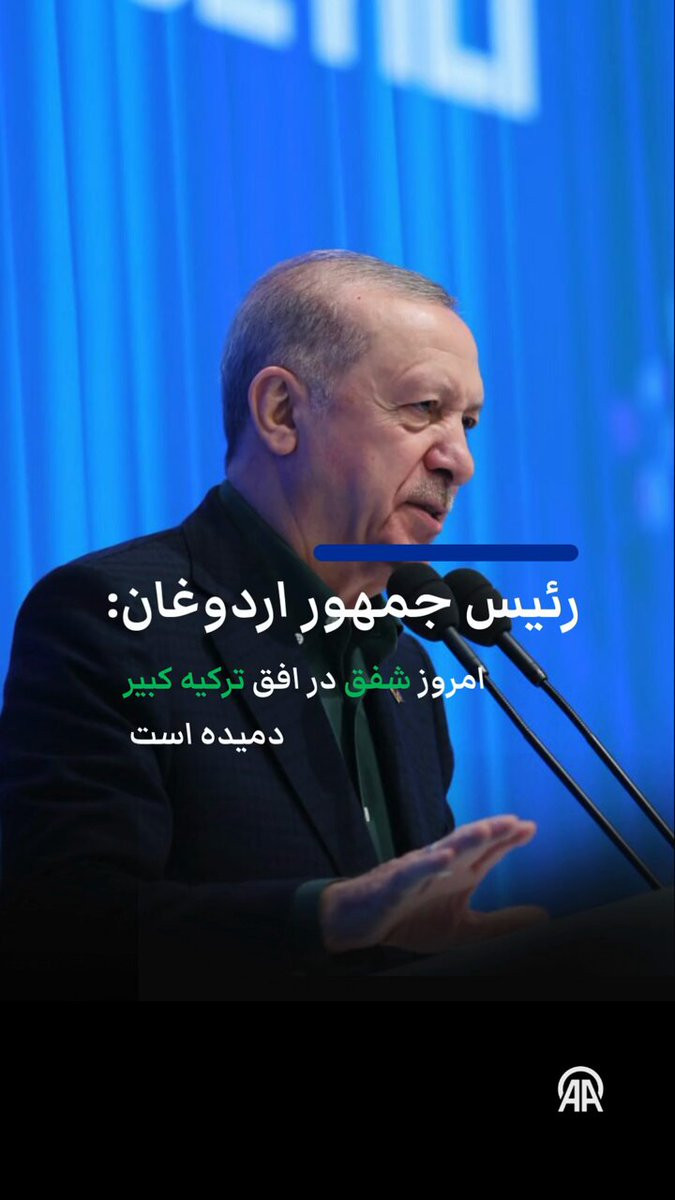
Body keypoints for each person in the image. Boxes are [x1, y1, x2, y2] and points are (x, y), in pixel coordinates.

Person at [0, 251, 543, 999]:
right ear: (282, 413)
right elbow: (62, 928)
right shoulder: (111, 619)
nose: (460, 460)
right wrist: (322, 917)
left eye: (468, 422)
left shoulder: (405, 668)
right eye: (423, 408)